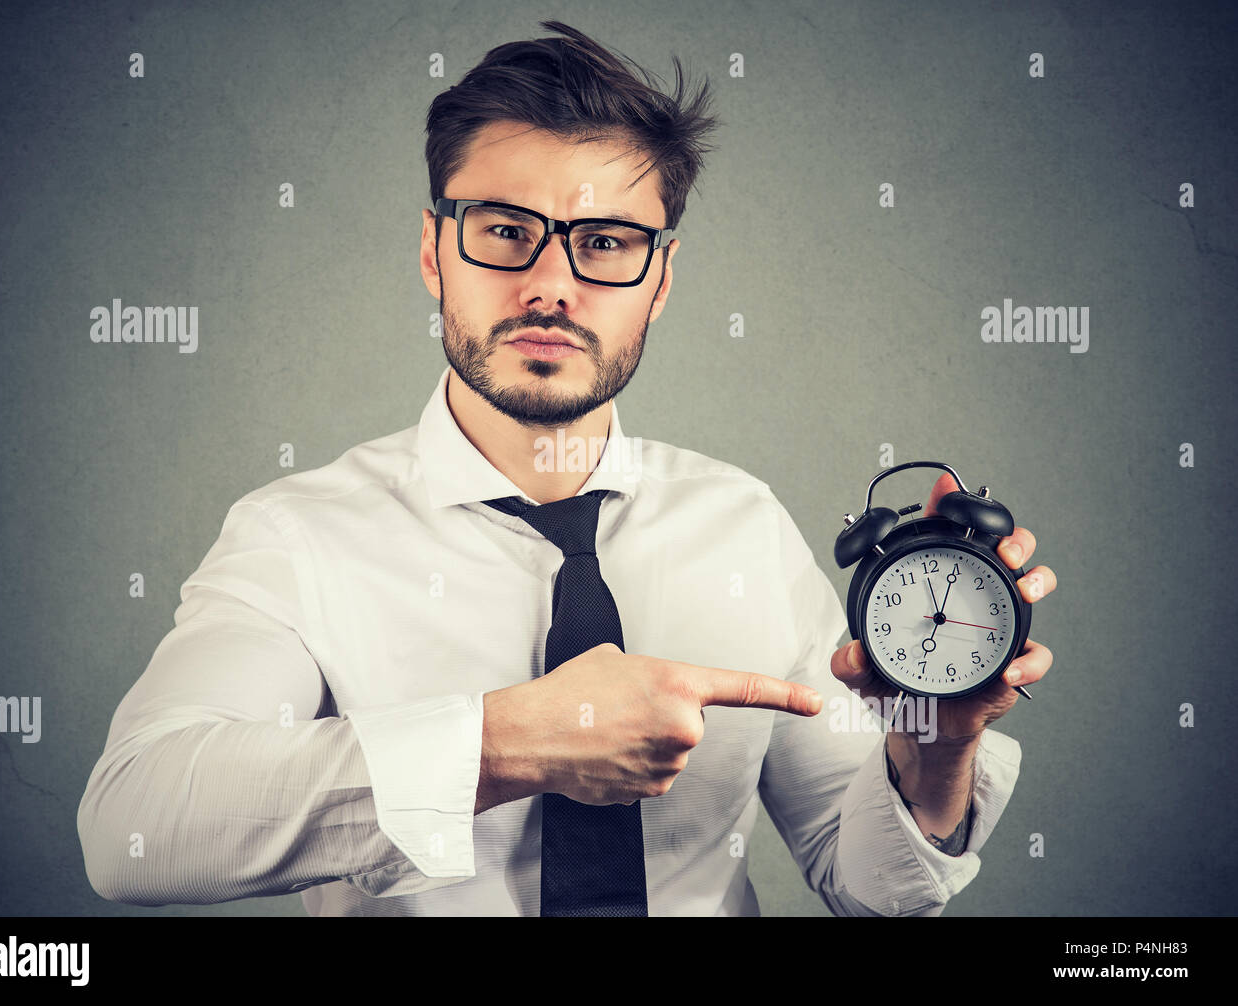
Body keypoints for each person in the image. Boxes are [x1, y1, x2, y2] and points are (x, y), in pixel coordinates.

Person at [77, 20, 1056, 916]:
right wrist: (507, 742)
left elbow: (874, 889)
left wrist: (937, 748)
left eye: (604, 243)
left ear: (659, 281)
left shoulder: (741, 527)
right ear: (433, 250)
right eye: (504, 230)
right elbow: (135, 825)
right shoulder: (298, 536)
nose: (550, 283)